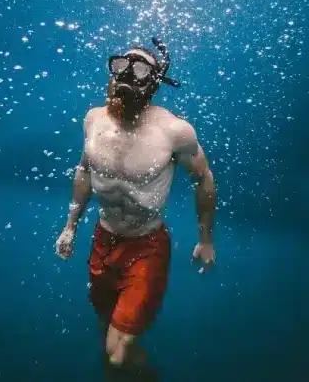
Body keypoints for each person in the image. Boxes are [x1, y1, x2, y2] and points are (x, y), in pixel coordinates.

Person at [54, 37, 217, 375]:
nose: (126, 74)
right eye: (120, 65)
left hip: (146, 248)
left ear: (152, 84)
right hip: (103, 240)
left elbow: (203, 178)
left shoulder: (174, 131)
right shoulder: (94, 119)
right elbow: (84, 171)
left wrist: (205, 238)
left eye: (139, 69)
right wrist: (70, 225)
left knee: (117, 354)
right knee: (106, 328)